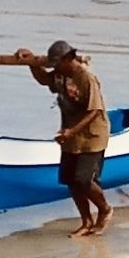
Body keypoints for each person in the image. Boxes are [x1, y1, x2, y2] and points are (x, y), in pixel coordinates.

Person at [28, 38, 111, 234]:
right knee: (70, 181)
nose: (55, 68)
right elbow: (44, 79)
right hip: (70, 137)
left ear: (68, 59)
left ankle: (105, 209)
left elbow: (95, 111)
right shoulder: (60, 75)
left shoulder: (86, 77)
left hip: (92, 136)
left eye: (57, 64)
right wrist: (31, 62)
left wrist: (72, 131)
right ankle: (86, 222)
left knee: (83, 179)